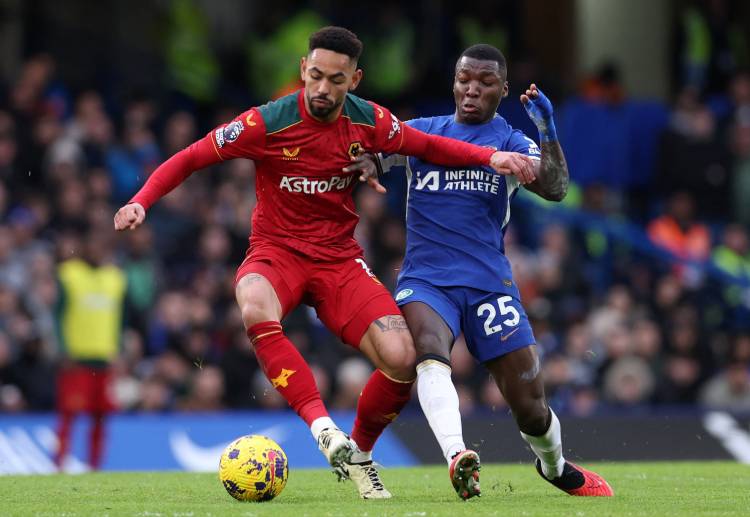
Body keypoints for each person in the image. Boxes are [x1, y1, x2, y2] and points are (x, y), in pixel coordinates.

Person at [114, 27, 535, 499]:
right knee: (252, 300)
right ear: (303, 70)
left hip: (338, 261)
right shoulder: (266, 122)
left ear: (354, 80)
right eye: (315, 75)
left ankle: (360, 457)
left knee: (404, 358)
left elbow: (429, 146)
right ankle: (323, 428)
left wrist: (491, 157)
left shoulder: (370, 120)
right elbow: (192, 157)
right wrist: (141, 201)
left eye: (335, 80)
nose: (322, 88)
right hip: (277, 253)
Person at [366, 44, 613, 499]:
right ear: (453, 83)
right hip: (426, 280)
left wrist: (547, 129)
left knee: (531, 407)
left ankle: (554, 467)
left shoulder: (512, 142)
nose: (472, 89)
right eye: (464, 79)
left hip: (488, 285)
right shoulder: (423, 133)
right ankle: (457, 456)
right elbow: (371, 155)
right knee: (428, 349)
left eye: (485, 82)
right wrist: (364, 164)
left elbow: (556, 187)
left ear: (503, 89)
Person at [55, 227, 125, 470]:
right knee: (69, 415)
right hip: (77, 358)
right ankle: (59, 464)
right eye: (93, 245)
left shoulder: (115, 278)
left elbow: (121, 318)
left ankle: (95, 467)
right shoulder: (69, 274)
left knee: (101, 417)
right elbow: (57, 314)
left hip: (104, 358)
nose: (98, 251)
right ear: (83, 248)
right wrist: (62, 348)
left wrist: (119, 349)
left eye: (102, 247)